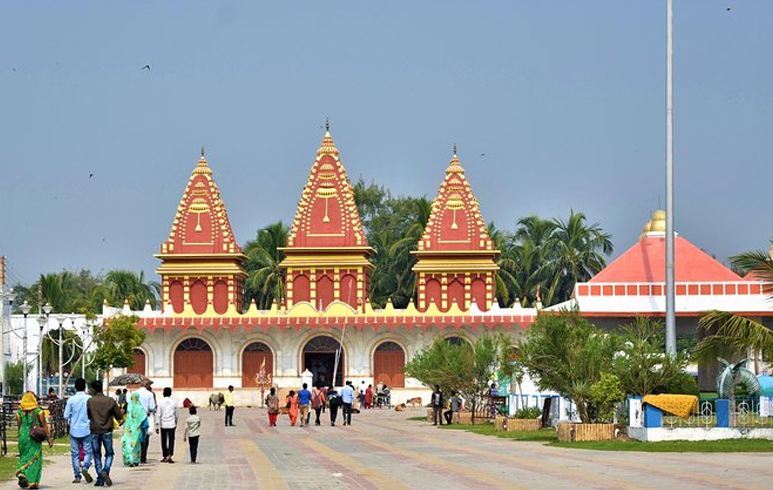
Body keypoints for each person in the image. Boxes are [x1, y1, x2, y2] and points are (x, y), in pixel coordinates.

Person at [87, 380, 123, 487]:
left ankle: (100, 479)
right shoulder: (110, 400)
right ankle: (105, 471)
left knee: (97, 455)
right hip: (107, 431)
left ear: (93, 389)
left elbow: (88, 415)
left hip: (94, 431)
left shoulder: (90, 401)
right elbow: (119, 416)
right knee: (109, 454)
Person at [15, 392, 52, 489]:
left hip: (23, 437)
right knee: (35, 459)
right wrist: (48, 438)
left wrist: (19, 439)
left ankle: (22, 474)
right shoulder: (38, 411)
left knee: (24, 457)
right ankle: (33, 482)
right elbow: (44, 425)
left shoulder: (18, 413)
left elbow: (20, 427)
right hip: (34, 437)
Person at [64, 378, 93, 484]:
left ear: (75, 387)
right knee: (88, 452)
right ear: (85, 386)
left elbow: (66, 415)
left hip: (74, 430)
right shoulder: (89, 399)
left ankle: (77, 476)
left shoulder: (71, 400)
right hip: (87, 429)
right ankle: (85, 467)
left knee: (75, 454)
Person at [121, 393, 146, 467]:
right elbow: (143, 417)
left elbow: (122, 412)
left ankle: (129, 459)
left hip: (128, 428)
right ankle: (135, 460)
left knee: (127, 443)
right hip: (137, 429)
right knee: (136, 444)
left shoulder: (128, 405)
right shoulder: (140, 407)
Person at [134, 378, 156, 464]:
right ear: (147, 385)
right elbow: (152, 407)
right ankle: (143, 456)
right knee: (145, 437)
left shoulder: (134, 393)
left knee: (137, 437)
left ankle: (137, 455)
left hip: (136, 418)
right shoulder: (149, 394)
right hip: (146, 418)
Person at [156, 387, 178, 463]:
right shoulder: (174, 402)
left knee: (164, 440)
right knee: (171, 440)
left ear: (163, 393)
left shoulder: (160, 402)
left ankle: (165, 455)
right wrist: (176, 422)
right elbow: (176, 414)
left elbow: (158, 414)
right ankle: (170, 455)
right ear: (170, 394)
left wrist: (157, 425)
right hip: (171, 423)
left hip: (163, 424)